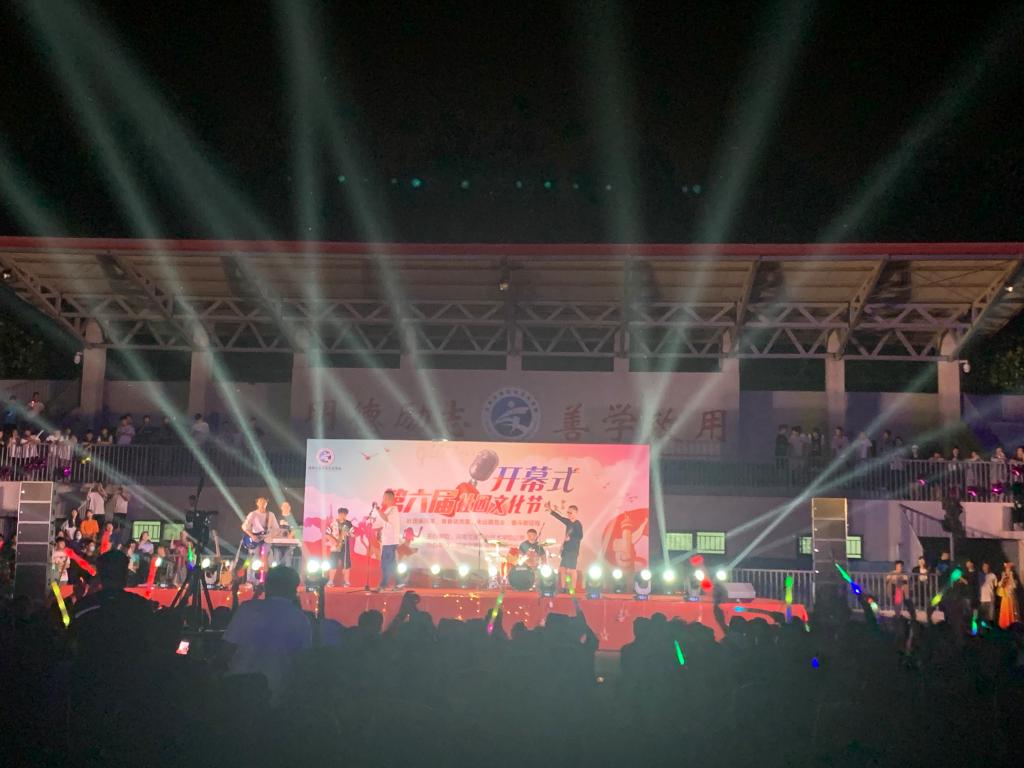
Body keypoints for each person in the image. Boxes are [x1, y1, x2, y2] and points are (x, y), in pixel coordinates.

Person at [222, 565, 312, 701]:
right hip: (278, 692)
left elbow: (226, 650)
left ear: (267, 585)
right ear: (293, 588)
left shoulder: (247, 609)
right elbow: (303, 660)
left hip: (239, 687)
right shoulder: (301, 619)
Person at [548, 503, 583, 592]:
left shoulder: (577, 524)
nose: (569, 514)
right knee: (562, 568)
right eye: (568, 512)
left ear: (576, 513)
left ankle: (573, 588)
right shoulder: (568, 522)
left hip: (573, 549)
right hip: (566, 548)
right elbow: (560, 518)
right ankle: (563, 587)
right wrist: (551, 511)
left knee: (572, 569)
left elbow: (580, 536)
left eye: (571, 513)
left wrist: (571, 538)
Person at [375, 489, 401, 591]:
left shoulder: (393, 510)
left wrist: (378, 510)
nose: (383, 499)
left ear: (389, 498)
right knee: (391, 564)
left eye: (384, 497)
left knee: (385, 564)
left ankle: (383, 585)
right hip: (387, 541)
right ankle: (399, 582)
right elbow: (383, 522)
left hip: (390, 542)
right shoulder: (388, 510)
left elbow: (386, 518)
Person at [325, 507, 353, 587]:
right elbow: (327, 534)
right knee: (333, 564)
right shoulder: (333, 523)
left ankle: (346, 581)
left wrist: (348, 533)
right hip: (335, 546)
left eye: (344, 514)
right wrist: (334, 541)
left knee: (346, 565)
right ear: (338, 514)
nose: (342, 516)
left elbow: (352, 533)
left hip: (345, 546)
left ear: (346, 515)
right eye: (341, 514)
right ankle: (330, 581)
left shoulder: (348, 523)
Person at [997, 561, 1020, 629]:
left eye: (1009, 569)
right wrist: (1003, 578)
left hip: (1011, 599)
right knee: (1005, 613)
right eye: (1006, 569)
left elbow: (1014, 586)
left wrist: (1011, 576)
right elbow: (999, 585)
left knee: (1012, 613)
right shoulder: (1004, 579)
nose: (1007, 571)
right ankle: (1005, 626)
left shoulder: (1014, 580)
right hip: (1005, 599)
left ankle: (1013, 626)